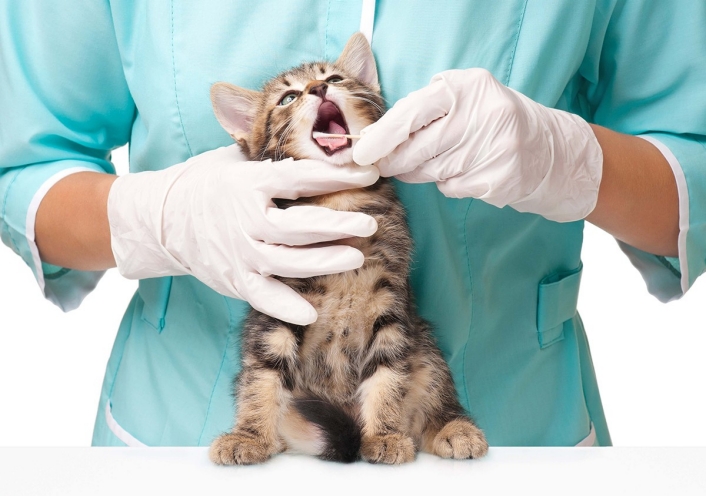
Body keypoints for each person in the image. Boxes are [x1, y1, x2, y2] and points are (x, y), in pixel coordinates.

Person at [1, 0, 704, 448]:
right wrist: (149, 218)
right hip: (180, 440)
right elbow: (22, 169)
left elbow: (691, 179)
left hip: (511, 439)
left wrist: (570, 160)